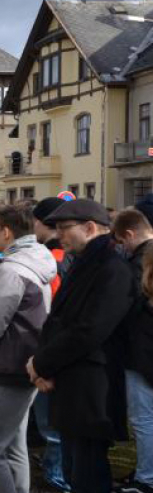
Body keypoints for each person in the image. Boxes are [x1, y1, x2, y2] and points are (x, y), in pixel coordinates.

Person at [29, 200, 134, 493]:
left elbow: (89, 330)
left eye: (64, 228)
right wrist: (41, 362)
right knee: (75, 469)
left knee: (88, 472)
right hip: (72, 381)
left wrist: (42, 363)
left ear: (89, 228)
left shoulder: (112, 268)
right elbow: (58, 319)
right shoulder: (87, 262)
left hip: (91, 388)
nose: (58, 235)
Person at [0, 205, 56, 493]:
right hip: (24, 361)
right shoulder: (36, 259)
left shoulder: (12, 269)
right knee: (13, 445)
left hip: (9, 364)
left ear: (6, 231)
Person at [30, 197, 72, 492]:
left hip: (49, 349)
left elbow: (52, 310)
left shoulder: (55, 259)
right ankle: (53, 469)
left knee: (51, 422)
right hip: (46, 347)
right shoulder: (54, 255)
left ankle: (56, 475)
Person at [112, 210, 153, 493]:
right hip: (141, 355)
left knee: (144, 420)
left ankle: (146, 478)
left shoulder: (139, 263)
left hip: (142, 358)